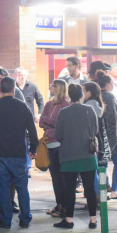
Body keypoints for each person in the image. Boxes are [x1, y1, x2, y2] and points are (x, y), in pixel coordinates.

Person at [0, 77, 38, 229]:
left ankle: (5, 220)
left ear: (0, 89)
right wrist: (33, 148)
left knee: (3, 188)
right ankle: (25, 218)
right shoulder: (22, 106)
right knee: (22, 187)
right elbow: (32, 129)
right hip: (18, 152)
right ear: (14, 89)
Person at [52, 84, 99, 230]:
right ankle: (92, 220)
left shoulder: (63, 112)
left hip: (68, 156)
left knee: (69, 190)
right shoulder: (89, 110)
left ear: (69, 96)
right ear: (81, 96)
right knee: (90, 189)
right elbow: (95, 130)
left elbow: (58, 134)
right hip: (87, 155)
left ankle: (69, 220)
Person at [39, 79, 70, 217]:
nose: (50, 88)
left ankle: (64, 207)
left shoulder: (66, 104)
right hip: (48, 144)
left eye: (52, 86)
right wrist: (49, 122)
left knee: (61, 178)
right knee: (54, 177)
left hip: (59, 144)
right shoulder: (49, 104)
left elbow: (61, 123)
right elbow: (41, 122)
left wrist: (48, 121)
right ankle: (58, 204)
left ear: (58, 88)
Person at [96, 74, 117, 200]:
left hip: (98, 137)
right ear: (108, 84)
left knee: (102, 165)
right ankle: (114, 190)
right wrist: (116, 136)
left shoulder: (95, 96)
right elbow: (115, 118)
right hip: (110, 135)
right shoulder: (110, 96)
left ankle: (102, 191)